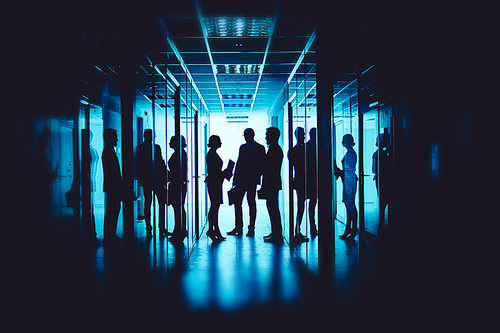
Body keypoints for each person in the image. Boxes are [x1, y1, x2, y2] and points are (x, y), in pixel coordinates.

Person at [228, 128, 266, 237]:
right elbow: (239, 163)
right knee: (237, 203)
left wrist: (255, 178)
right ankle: (238, 227)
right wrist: (235, 179)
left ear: (252, 135)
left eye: (247, 135)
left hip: (251, 181)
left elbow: (262, 166)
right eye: (244, 135)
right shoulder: (242, 147)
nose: (246, 137)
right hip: (241, 180)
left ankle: (251, 228)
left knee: (251, 203)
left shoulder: (260, 148)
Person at [136, 129, 168, 238]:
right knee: (158, 203)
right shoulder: (156, 147)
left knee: (149, 203)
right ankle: (159, 227)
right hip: (154, 180)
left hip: (149, 180)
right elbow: (160, 163)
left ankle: (150, 227)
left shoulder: (140, 148)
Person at [205, 135, 232, 243]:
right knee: (214, 207)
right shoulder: (212, 155)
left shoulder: (212, 154)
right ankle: (213, 230)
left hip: (214, 182)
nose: (221, 142)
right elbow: (214, 172)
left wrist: (223, 173)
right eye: (219, 141)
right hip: (214, 183)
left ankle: (213, 230)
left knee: (214, 206)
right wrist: (224, 173)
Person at [260, 127, 283, 244]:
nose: (265, 137)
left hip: (271, 182)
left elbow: (269, 167)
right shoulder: (275, 148)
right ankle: (276, 232)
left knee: (272, 207)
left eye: (267, 135)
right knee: (273, 207)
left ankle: (277, 233)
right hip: (273, 182)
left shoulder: (274, 149)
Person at [334, 134, 358, 240]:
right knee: (349, 205)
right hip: (349, 181)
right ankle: (350, 228)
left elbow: (348, 171)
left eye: (343, 140)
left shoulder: (350, 154)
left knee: (350, 205)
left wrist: (336, 169)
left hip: (349, 181)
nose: (342, 142)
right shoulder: (350, 153)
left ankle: (352, 229)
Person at [288, 127, 309, 243]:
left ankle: (297, 230)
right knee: (301, 206)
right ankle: (297, 230)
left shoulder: (293, 150)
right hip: (303, 180)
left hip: (299, 180)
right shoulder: (305, 149)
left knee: (301, 206)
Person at [102, 128, 123, 244]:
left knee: (113, 210)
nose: (117, 139)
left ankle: (110, 235)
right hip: (113, 187)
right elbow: (113, 172)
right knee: (112, 211)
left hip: (112, 186)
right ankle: (109, 236)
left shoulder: (109, 150)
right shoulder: (109, 151)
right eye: (115, 136)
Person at [167, 135, 188, 242]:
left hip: (177, 184)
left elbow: (177, 171)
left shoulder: (179, 154)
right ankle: (180, 230)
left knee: (178, 208)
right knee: (179, 208)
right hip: (178, 184)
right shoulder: (180, 154)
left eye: (171, 141)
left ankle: (179, 231)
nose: (169, 143)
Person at [372, 132, 393, 237]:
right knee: (386, 201)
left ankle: (382, 225)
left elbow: (374, 169)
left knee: (383, 202)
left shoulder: (376, 154)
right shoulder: (384, 154)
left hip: (380, 179)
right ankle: (384, 225)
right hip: (384, 180)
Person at [306, 128, 318, 238]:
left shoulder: (320, 146)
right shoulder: (305, 147)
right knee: (312, 204)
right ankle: (312, 226)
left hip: (319, 180)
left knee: (314, 203)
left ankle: (314, 226)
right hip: (310, 179)